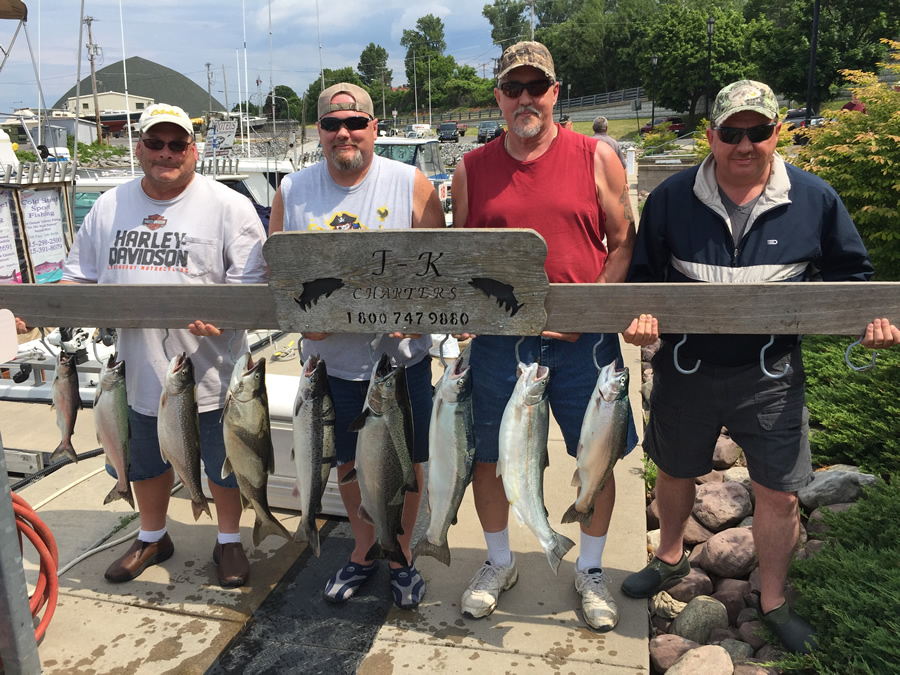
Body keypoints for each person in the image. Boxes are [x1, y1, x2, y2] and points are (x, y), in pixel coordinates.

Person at [620, 80, 900, 653]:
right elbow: (641, 279)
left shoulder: (816, 199)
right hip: (686, 367)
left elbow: (854, 281)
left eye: (757, 131)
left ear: (777, 132)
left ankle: (772, 599)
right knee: (673, 470)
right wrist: (637, 318)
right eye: (731, 132)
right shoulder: (671, 198)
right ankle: (670, 557)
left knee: (779, 495)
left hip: (772, 375)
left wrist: (871, 323)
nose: (743, 144)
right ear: (711, 135)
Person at [451, 40, 640, 632]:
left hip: (584, 345)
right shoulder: (469, 168)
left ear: (556, 93)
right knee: (489, 458)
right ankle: (500, 560)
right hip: (500, 344)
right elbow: (461, 259)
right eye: (513, 88)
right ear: (500, 98)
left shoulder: (596, 157)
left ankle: (588, 570)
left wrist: (593, 308)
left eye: (537, 87)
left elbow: (623, 239)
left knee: (597, 463)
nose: (525, 98)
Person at [62, 103, 268, 588]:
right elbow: (75, 279)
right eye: (155, 143)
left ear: (193, 149)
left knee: (224, 464)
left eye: (177, 144)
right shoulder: (109, 205)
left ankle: (228, 540)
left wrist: (225, 315)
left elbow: (253, 289)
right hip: (135, 372)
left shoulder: (229, 206)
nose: (166, 153)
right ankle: (153, 534)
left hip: (216, 376)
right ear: (139, 147)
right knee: (145, 462)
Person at [268, 82, 445, 609]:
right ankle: (364, 549)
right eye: (330, 124)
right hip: (328, 366)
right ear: (318, 132)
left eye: (355, 122)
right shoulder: (291, 191)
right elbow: (279, 275)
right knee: (344, 462)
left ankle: (401, 553)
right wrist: (305, 325)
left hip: (399, 366)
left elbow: (442, 274)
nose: (343, 133)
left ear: (374, 127)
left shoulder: (411, 182)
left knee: (407, 464)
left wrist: (415, 323)